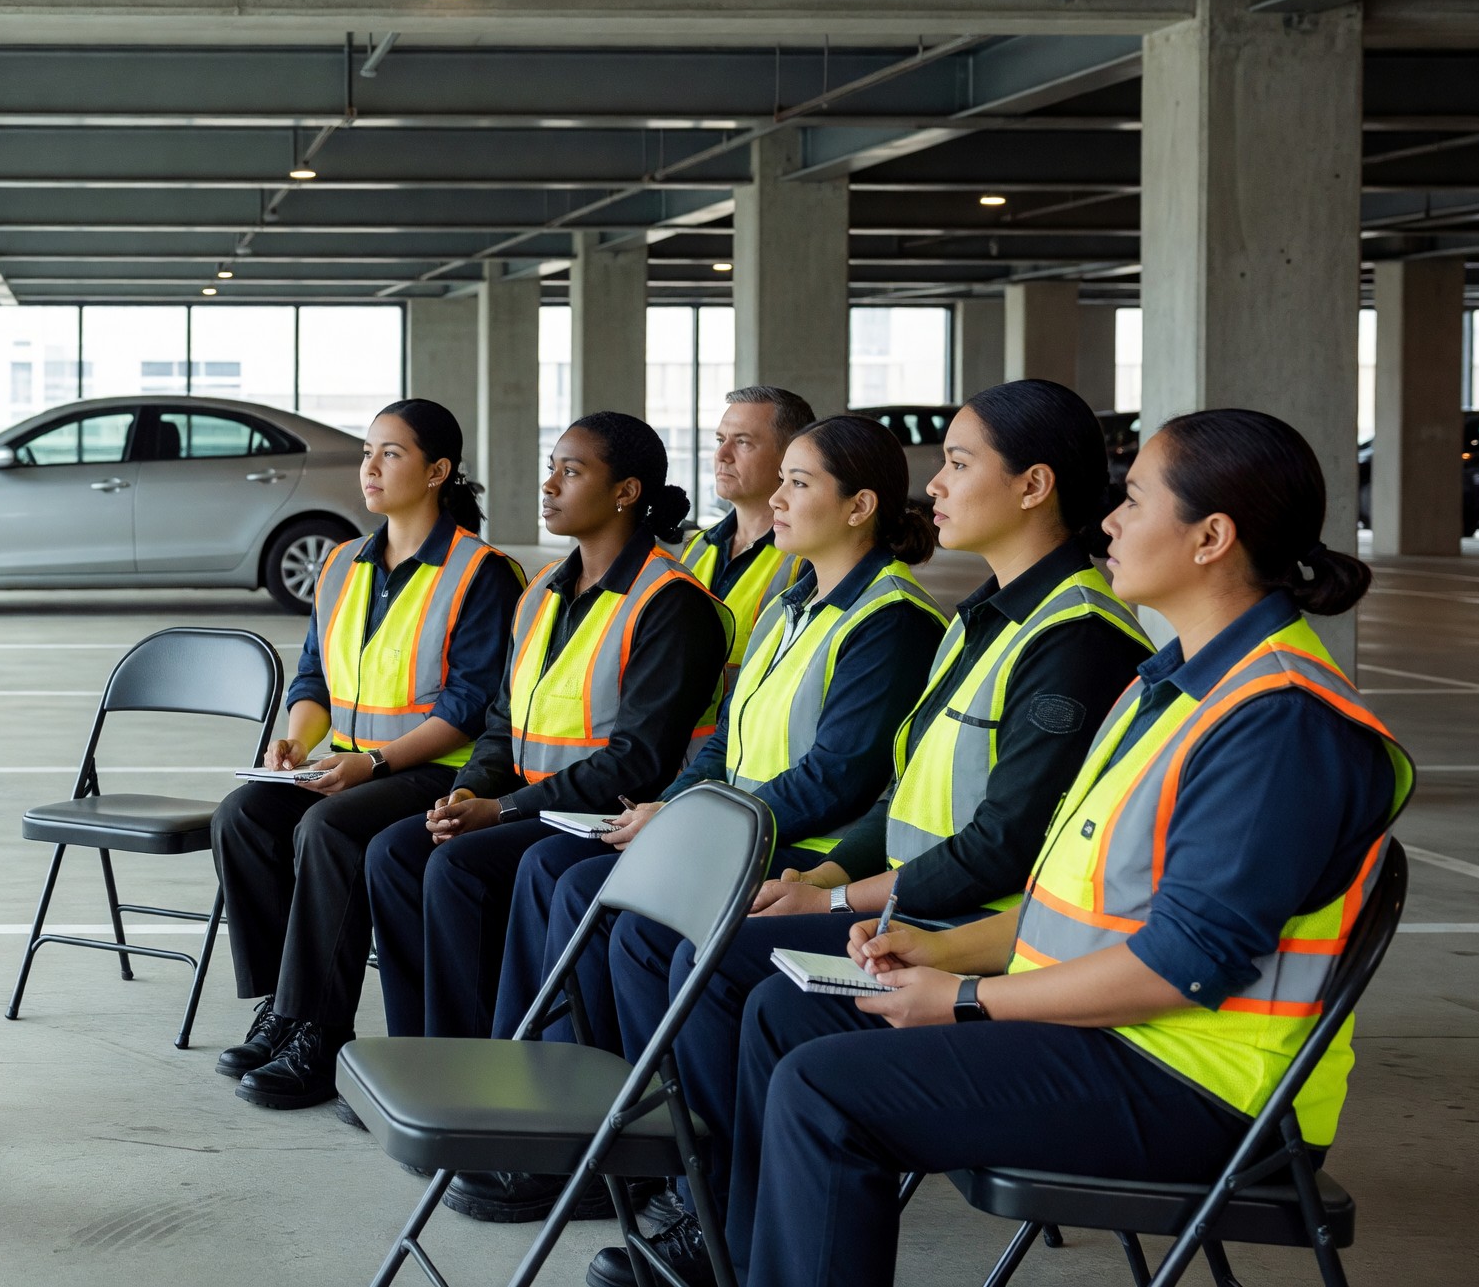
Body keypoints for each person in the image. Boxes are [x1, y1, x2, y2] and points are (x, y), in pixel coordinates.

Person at [724, 408, 1406, 1287]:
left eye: (1132, 500)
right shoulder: (1177, 685)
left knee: (824, 1092)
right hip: (1116, 1034)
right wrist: (935, 948)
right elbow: (1079, 905)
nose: (1110, 522)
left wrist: (965, 998)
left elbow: (1184, 964)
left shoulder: (1280, 722)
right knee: (790, 1011)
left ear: (1211, 538)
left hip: (1202, 1084)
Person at [587, 380, 1152, 1286]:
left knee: (729, 964)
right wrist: (827, 882)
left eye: (959, 464)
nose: (934, 484)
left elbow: (1007, 842)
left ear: (1035, 485)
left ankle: (719, 1219)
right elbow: (908, 798)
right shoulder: (988, 617)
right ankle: (718, 1205)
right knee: (700, 943)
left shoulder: (1078, 638)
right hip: (916, 897)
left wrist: (839, 896)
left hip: (985, 926)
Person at [478, 415, 945, 1233]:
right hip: (741, 830)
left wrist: (696, 826)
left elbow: (840, 775)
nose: (777, 496)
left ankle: (679, 1163)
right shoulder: (791, 604)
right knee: (568, 875)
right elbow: (725, 740)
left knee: (614, 905)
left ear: (861, 505)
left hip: (807, 852)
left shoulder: (892, 619)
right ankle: (587, 1129)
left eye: (799, 483)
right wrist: (675, 809)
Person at [357, 413, 731, 1222]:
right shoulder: (544, 592)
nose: (550, 484)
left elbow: (638, 759)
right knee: (399, 849)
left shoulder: (672, 603)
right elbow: (501, 723)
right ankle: (443, 1079)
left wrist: (504, 808)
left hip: (618, 816)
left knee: (470, 865)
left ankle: (516, 1108)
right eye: (550, 467)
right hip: (536, 803)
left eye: (571, 470)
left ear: (626, 492)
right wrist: (469, 793)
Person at [208, 399, 524, 1109]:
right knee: (244, 815)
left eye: (391, 453)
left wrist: (375, 764)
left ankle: (321, 1035)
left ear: (438, 471)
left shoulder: (482, 572)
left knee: (329, 829)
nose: (370, 468)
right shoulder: (344, 563)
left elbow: (470, 703)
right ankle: (284, 1010)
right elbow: (315, 674)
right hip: (346, 762)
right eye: (367, 452)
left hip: (436, 773)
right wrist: (295, 737)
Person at [677, 387, 817, 696]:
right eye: (719, 440)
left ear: (790, 455)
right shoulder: (698, 546)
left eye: (742, 442)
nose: (721, 455)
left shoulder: (807, 559)